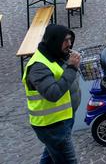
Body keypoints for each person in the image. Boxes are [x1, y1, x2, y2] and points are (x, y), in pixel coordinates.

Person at [23, 24, 81, 164]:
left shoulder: (56, 54)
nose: (70, 44)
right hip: (52, 126)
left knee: (50, 157)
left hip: (63, 118)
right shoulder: (38, 67)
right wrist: (72, 67)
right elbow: (53, 93)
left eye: (70, 40)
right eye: (65, 40)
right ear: (54, 41)